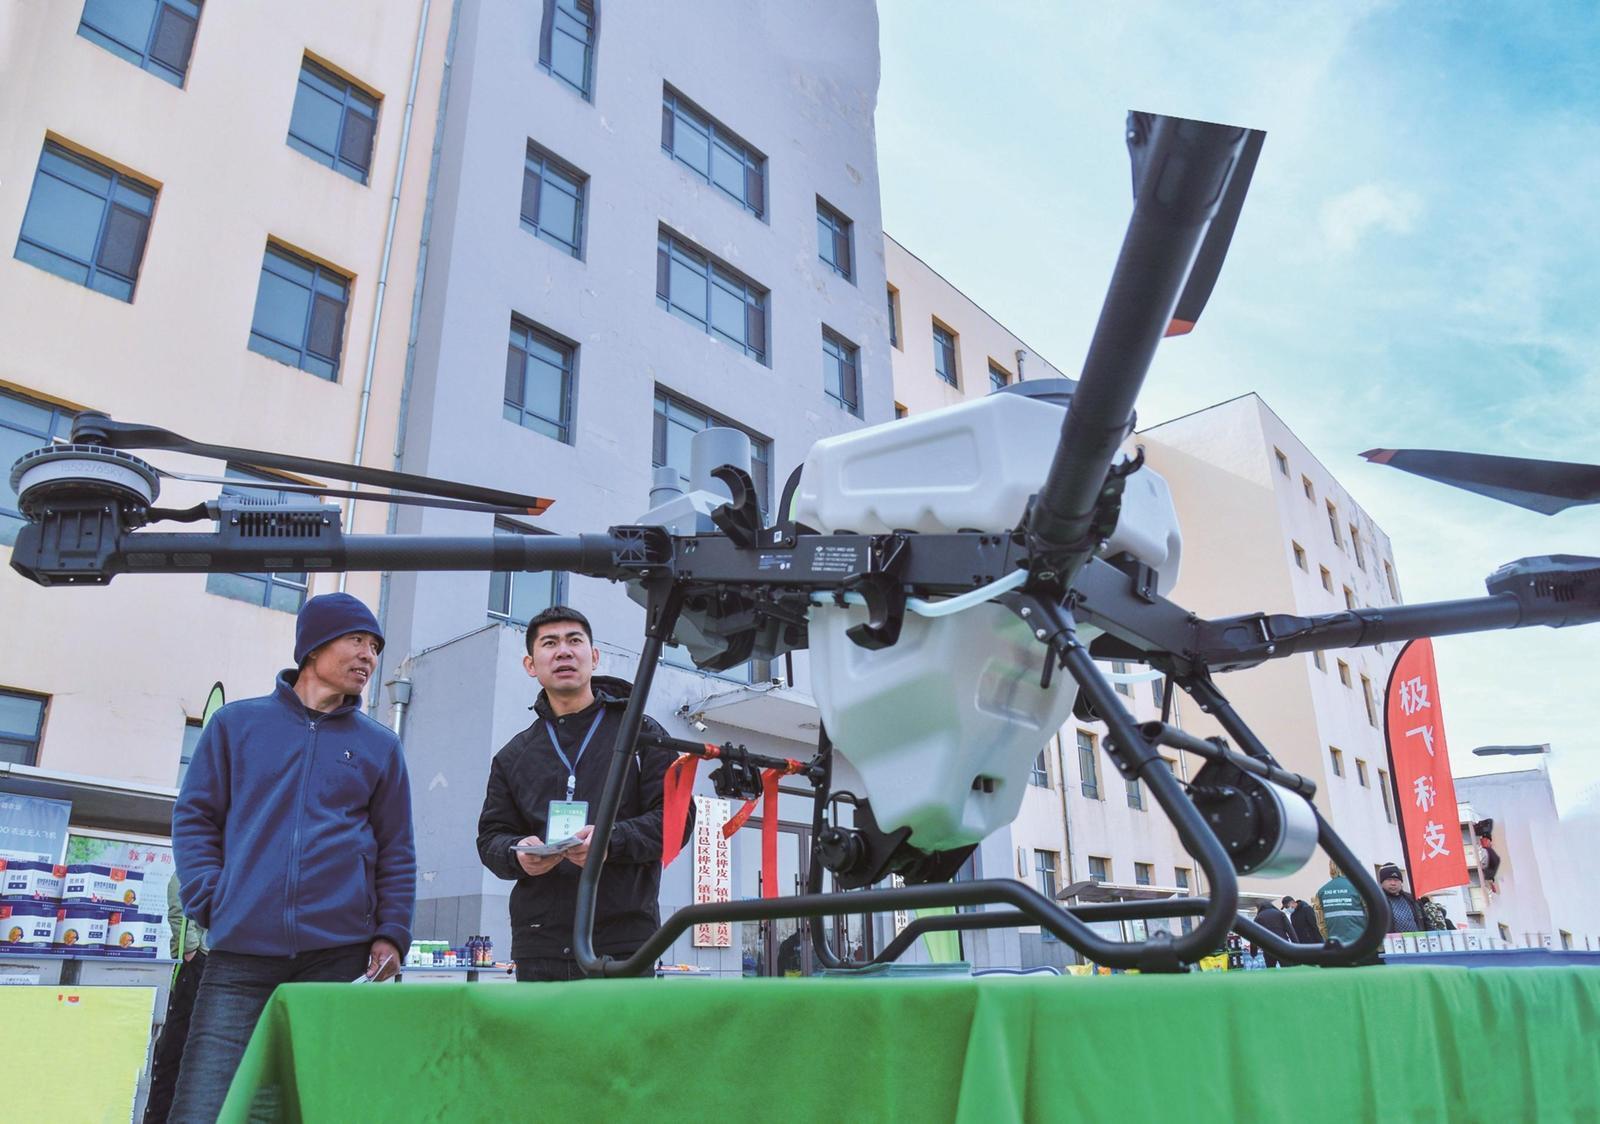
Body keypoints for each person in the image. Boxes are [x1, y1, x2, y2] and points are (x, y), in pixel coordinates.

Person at [168, 593, 415, 1122]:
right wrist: (212, 897)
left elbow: (397, 849)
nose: (368, 656)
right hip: (239, 955)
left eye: (375, 647)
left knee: (317, 1108)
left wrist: (392, 934)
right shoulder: (236, 725)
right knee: (206, 1107)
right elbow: (195, 818)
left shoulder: (380, 746)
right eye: (356, 640)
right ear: (313, 647)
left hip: (339, 958)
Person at [477, 606, 687, 982]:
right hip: (539, 944)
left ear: (594, 656)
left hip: (624, 942)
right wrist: (516, 854)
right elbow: (490, 838)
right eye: (549, 643)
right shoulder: (513, 756)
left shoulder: (641, 734)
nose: (563, 651)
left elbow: (677, 820)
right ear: (530, 665)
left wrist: (611, 840)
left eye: (574, 641)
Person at [142, 874, 208, 1123]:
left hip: (222, 960)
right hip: (199, 962)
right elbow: (179, 892)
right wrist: (191, 949)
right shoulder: (201, 857)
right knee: (177, 1046)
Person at [1314, 860, 1368, 946]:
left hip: (1337, 945)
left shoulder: (1321, 892)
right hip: (1361, 943)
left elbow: (1321, 924)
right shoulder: (1360, 887)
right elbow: (1373, 916)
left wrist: (1330, 940)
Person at [1377, 862, 1432, 933]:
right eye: (1389, 880)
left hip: (1418, 938)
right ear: (1381, 882)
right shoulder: (1377, 901)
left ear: (1401, 882)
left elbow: (1426, 921)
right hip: (1391, 939)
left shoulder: (1412, 899)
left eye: (1396, 880)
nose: (1393, 883)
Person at [1251, 899, 1293, 967]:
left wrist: (1253, 952)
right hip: (1283, 946)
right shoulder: (1280, 914)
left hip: (1268, 948)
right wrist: (1297, 945)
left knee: (1271, 969)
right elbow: (1290, 931)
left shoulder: (1258, 918)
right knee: (1287, 968)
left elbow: (1254, 936)